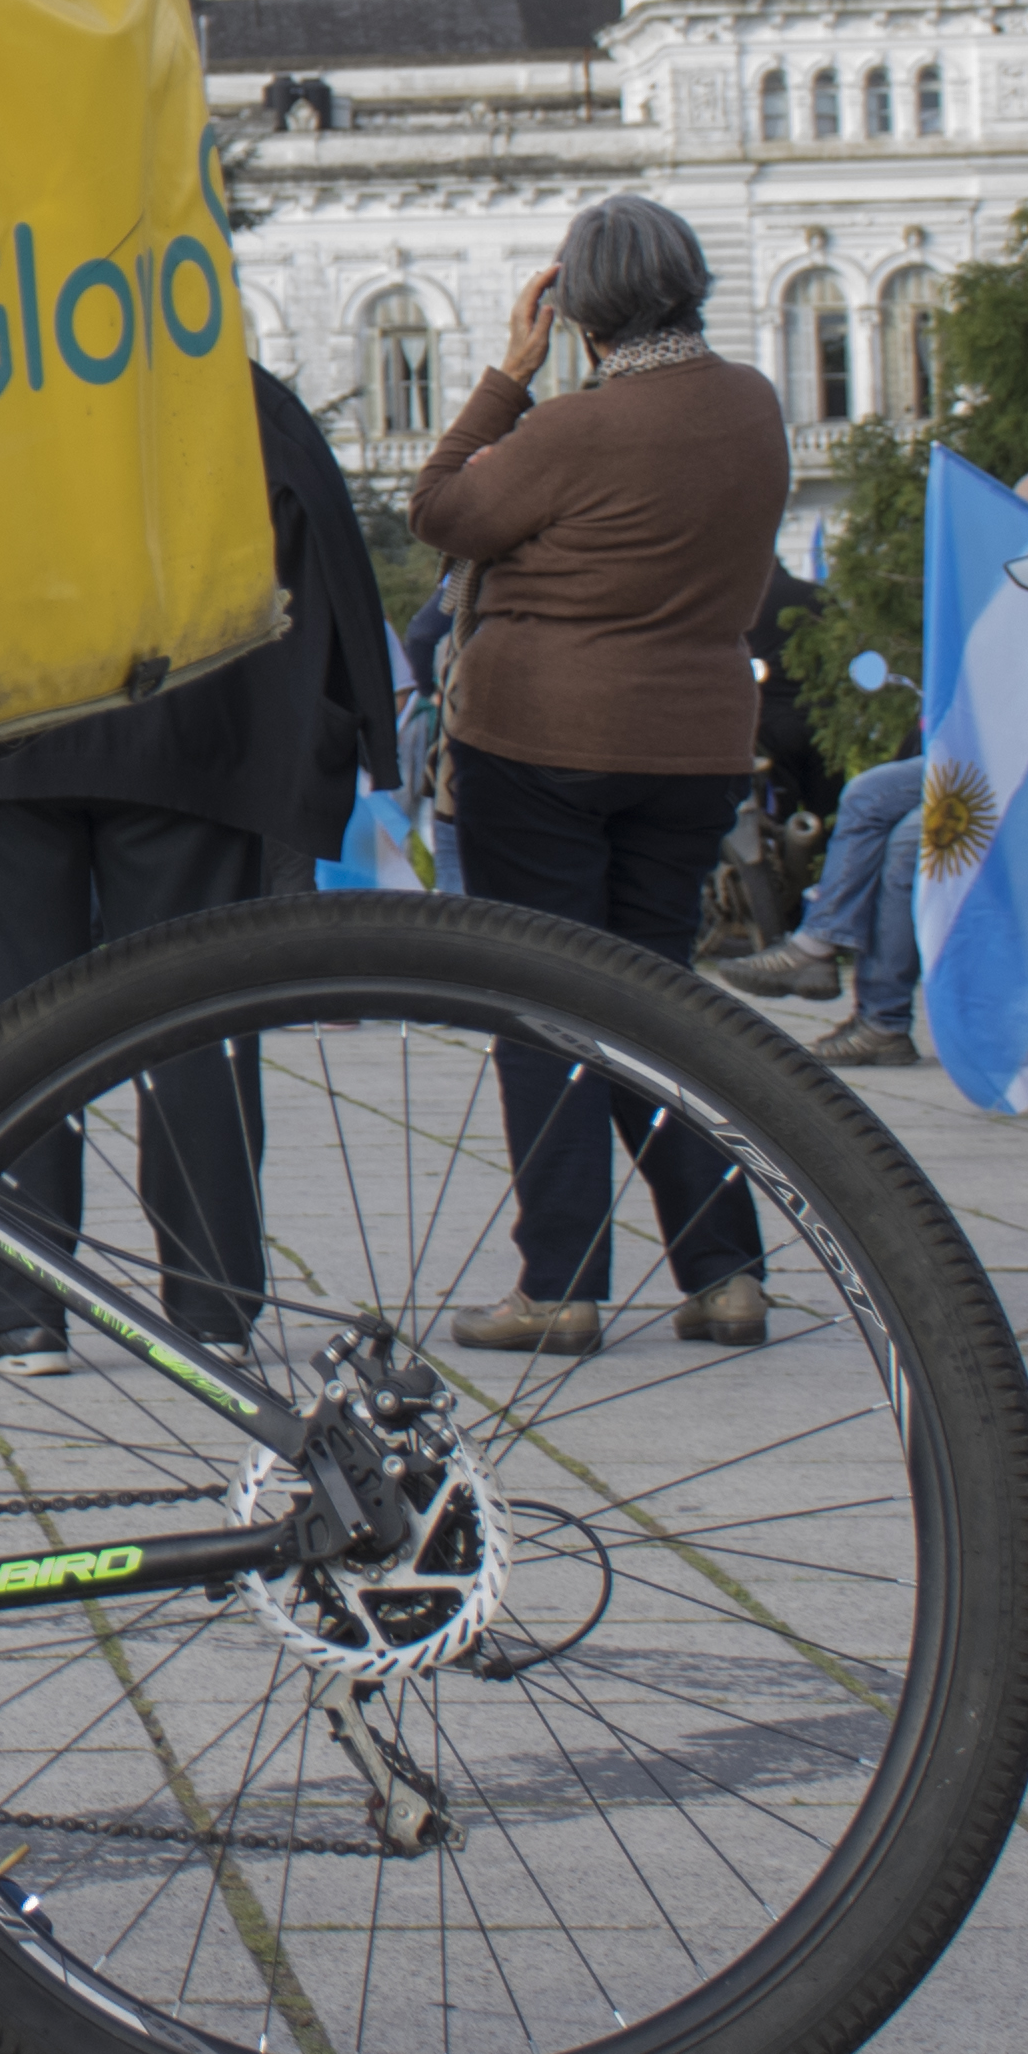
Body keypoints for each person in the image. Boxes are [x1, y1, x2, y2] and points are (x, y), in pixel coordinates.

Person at [0, 362, 392, 1383]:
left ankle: (26, 1306)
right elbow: (318, 554)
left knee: (6, 1026)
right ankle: (212, 1301)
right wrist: (321, 745)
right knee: (193, 1027)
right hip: (187, 739)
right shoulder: (222, 382)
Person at [408, 192, 792, 1355]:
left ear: (574, 306)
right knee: (652, 998)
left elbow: (439, 510)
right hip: (694, 747)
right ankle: (725, 1271)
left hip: (544, 742)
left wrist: (509, 373)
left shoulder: (573, 429)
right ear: (690, 280)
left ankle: (561, 1283)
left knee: (548, 1007)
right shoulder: (754, 407)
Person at [742, 464, 1028, 1069]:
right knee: (867, 793)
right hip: (995, 759)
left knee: (912, 839)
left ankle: (877, 1017)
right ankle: (822, 942)